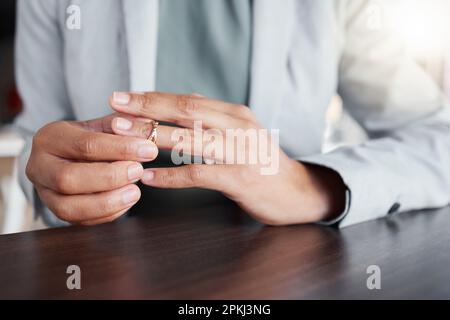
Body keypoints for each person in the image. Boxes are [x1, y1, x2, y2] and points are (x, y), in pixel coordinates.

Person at [14, 0, 450, 228]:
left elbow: (439, 139)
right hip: (107, 267)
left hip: (280, 269)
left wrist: (314, 186)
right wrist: (54, 178)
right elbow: (38, 142)